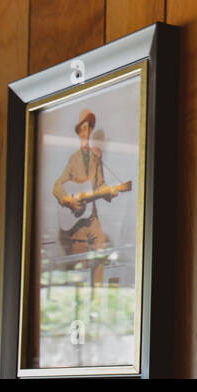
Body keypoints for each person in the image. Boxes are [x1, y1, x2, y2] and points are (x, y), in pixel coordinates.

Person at [52, 109, 110, 282]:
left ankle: (99, 291)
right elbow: (57, 187)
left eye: (88, 129)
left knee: (102, 246)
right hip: (78, 223)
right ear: (79, 133)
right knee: (79, 266)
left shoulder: (96, 157)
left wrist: (109, 192)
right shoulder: (73, 159)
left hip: (92, 218)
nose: (85, 133)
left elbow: (101, 185)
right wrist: (69, 202)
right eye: (82, 130)